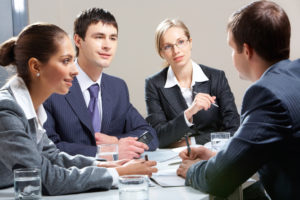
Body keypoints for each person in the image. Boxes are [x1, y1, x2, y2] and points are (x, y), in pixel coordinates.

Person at [0, 22, 157, 195]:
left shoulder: (31, 107)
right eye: (66, 61)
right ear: (36, 66)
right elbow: (46, 179)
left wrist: (103, 165)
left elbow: (54, 157)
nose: (75, 70)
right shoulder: (6, 110)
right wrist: (116, 173)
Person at [177, 1, 300, 199]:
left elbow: (219, 179)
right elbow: (277, 150)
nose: (232, 55)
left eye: (233, 48)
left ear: (247, 50)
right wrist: (222, 158)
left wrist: (193, 170)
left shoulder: (266, 95)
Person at [43, 8, 158, 159]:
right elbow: (48, 147)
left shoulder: (117, 88)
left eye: (113, 38)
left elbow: (150, 135)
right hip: (72, 179)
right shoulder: (53, 87)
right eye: (99, 37)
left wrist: (117, 142)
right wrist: (107, 151)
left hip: (117, 177)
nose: (107, 45)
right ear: (78, 41)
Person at [145, 19, 240, 148]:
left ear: (190, 43)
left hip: (214, 155)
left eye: (181, 42)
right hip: (173, 160)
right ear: (161, 53)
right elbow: (159, 137)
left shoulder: (216, 77)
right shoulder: (154, 84)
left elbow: (234, 130)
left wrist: (191, 142)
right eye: (168, 46)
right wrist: (188, 113)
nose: (176, 50)